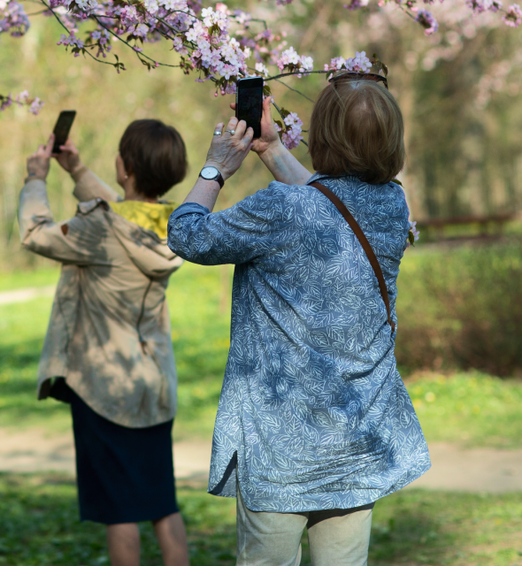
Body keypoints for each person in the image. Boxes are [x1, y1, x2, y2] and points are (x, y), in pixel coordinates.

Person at [167, 75, 430, 566]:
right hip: (356, 438)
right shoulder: (392, 205)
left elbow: (188, 235)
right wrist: (270, 149)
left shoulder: (280, 208)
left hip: (278, 451)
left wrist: (215, 168)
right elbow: (328, 204)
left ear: (322, 136)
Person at [19, 120, 191, 566]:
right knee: (161, 503)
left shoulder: (99, 228)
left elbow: (36, 233)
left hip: (104, 388)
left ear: (125, 166)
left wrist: (36, 179)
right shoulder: (172, 226)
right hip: (154, 386)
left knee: (121, 511)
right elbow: (121, 214)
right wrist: (76, 172)